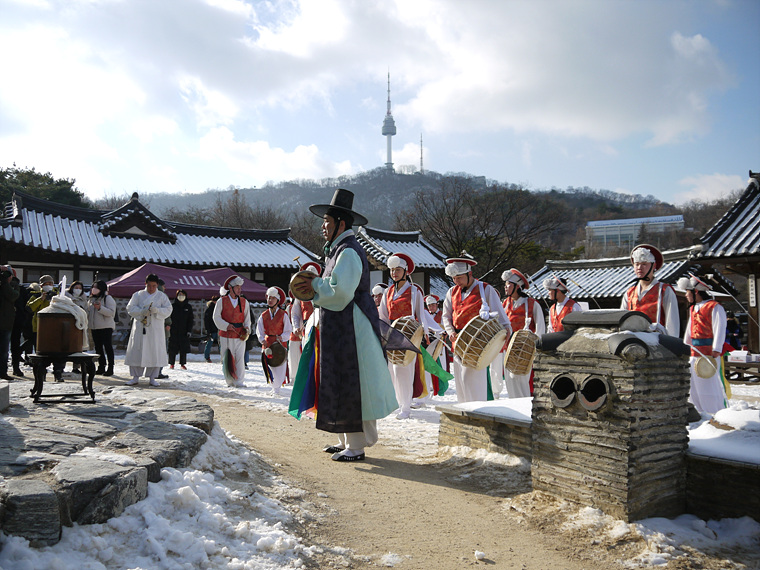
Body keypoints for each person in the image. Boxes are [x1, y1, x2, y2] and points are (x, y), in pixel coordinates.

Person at [290, 188, 397, 462]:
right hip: (340, 327)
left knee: (353, 382)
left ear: (342, 223)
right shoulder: (338, 251)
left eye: (327, 221)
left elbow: (340, 292)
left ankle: (356, 445)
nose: (323, 226)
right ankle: (345, 439)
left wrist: (313, 284)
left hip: (352, 329)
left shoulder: (348, 252)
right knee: (337, 379)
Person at [441, 253, 511, 403]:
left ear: (469, 274)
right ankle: (464, 413)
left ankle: (478, 412)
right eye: (453, 278)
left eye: (459, 277)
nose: (456, 281)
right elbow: (446, 316)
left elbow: (503, 319)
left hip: (478, 345)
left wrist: (505, 336)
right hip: (457, 343)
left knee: (472, 382)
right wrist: (450, 331)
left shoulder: (485, 290)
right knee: (460, 383)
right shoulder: (451, 292)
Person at [378, 252, 434, 419]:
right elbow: (383, 315)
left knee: (404, 370)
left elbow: (420, 313)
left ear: (405, 271)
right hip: (391, 334)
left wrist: (424, 330)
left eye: (398, 269)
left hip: (408, 335)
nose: (394, 273)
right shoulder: (387, 292)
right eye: (392, 270)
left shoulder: (414, 291)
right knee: (392, 370)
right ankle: (397, 402)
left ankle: (406, 407)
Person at [678, 274, 729, 415]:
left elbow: (720, 327)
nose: (686, 296)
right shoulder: (693, 309)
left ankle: (716, 411)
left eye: (687, 293)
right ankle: (698, 410)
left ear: (695, 292)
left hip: (709, 352)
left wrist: (716, 349)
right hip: (694, 351)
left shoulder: (715, 307)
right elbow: (689, 331)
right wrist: (685, 347)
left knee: (709, 382)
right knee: (694, 383)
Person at [501, 268, 545, 398]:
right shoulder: (505, 303)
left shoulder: (532, 304)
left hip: (524, 349)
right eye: (505, 285)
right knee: (509, 380)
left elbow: (540, 328)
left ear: (517, 286)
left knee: (520, 379)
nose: (506, 287)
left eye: (508, 284)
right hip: (508, 349)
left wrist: (536, 347)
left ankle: (525, 406)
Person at [124, 273, 172, 386]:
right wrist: (141, 312)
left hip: (155, 328)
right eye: (149, 285)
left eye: (154, 286)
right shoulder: (138, 295)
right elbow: (130, 307)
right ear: (145, 284)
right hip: (141, 326)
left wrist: (157, 310)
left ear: (157, 285)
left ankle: (152, 377)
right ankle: (135, 377)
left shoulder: (161, 296)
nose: (151, 288)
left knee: (154, 350)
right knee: (137, 350)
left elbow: (169, 309)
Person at [620, 244, 679, 337]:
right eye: (637, 264)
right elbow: (622, 321)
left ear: (653, 265)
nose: (639, 267)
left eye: (644, 264)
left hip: (657, 342)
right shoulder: (629, 293)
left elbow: (672, 324)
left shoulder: (664, 290)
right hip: (634, 342)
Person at [213, 275, 251, 388]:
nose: (240, 289)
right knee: (227, 357)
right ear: (231, 288)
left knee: (240, 358)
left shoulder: (244, 302)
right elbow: (216, 317)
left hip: (240, 334)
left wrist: (247, 329)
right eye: (237, 287)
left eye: (240, 287)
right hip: (226, 334)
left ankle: (239, 381)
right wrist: (225, 325)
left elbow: (247, 318)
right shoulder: (221, 301)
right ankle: (229, 381)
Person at [27, 275, 65, 382]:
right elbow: (29, 308)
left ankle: (58, 373)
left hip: (55, 328)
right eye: (46, 284)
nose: (49, 286)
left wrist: (55, 298)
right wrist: (41, 299)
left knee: (57, 352)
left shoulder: (58, 295)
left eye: (51, 284)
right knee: (41, 353)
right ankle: (41, 373)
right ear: (41, 286)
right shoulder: (35, 296)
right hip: (39, 329)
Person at [256, 286, 292, 395]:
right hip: (267, 343)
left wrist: (281, 337)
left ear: (277, 300)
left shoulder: (283, 314)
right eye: (268, 298)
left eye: (272, 298)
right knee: (269, 366)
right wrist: (262, 340)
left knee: (280, 366)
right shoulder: (264, 315)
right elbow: (259, 330)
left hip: (280, 343)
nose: (270, 300)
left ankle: (277, 388)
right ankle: (273, 386)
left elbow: (288, 330)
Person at [289, 262, 320, 385]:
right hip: (306, 329)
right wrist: (296, 326)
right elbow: (295, 313)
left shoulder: (322, 291)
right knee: (306, 355)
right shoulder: (299, 294)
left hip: (320, 328)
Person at [88, 279, 117, 376]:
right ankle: (101, 366)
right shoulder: (91, 299)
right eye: (93, 287)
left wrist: (100, 308)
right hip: (95, 327)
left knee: (108, 347)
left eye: (96, 287)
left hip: (106, 327)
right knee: (98, 348)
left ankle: (110, 367)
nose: (94, 289)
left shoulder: (107, 298)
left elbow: (111, 312)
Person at [0, 266, 19, 380]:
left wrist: (5, 283)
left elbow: (12, 296)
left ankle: (2, 372)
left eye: (7, 274)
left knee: (3, 351)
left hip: (6, 323)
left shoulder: (14, 285)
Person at [168, 289, 194, 370]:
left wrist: (189, 330)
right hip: (174, 330)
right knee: (172, 348)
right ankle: (171, 363)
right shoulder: (173, 306)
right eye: (179, 294)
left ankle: (182, 363)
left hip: (184, 331)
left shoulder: (188, 307)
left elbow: (190, 319)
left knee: (183, 348)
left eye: (182, 294)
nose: (181, 296)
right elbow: (169, 318)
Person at [66, 281, 88, 374]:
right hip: (67, 324)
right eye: (76, 287)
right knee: (65, 345)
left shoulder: (83, 299)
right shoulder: (66, 297)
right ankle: (60, 367)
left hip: (79, 325)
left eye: (80, 288)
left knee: (78, 346)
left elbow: (86, 311)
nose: (78, 290)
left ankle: (76, 367)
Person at [10, 272, 30, 376]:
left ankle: (16, 367)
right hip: (6, 320)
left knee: (15, 345)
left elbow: (26, 305)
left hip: (17, 321)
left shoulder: (21, 289)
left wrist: (22, 318)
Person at [203, 295, 219, 363]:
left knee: (221, 344)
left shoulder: (219, 309)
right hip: (212, 329)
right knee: (209, 343)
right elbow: (206, 320)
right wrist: (208, 330)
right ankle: (207, 357)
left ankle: (224, 358)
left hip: (218, 329)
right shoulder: (209, 309)